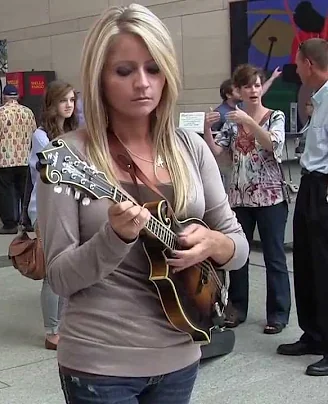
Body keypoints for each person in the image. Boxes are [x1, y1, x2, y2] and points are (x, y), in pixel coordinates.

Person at [36, 4, 249, 403]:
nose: (143, 84)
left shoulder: (191, 148)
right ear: (99, 78)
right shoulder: (69, 157)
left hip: (183, 349)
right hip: (101, 364)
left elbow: (237, 245)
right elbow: (59, 277)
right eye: (124, 71)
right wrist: (113, 237)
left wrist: (214, 245)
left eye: (153, 68)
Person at [203, 64, 291, 333]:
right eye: (247, 86)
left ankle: (278, 313)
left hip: (270, 197)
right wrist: (208, 130)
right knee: (239, 256)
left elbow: (272, 144)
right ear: (238, 91)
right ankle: (237, 307)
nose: (253, 90)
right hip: (239, 198)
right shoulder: (232, 122)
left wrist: (250, 122)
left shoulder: (275, 116)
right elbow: (220, 152)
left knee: (274, 256)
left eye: (256, 84)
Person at [278, 37, 328, 377]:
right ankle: (313, 335)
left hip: (325, 187)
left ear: (309, 63)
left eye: (298, 63)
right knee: (308, 264)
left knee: (325, 268)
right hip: (310, 184)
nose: (296, 69)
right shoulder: (319, 99)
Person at [27, 80, 78, 350]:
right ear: (52, 103)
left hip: (71, 204)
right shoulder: (41, 135)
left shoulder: (73, 130)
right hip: (46, 206)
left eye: (71, 100)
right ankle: (51, 331)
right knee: (52, 270)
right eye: (63, 100)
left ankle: (66, 324)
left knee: (69, 266)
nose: (69, 105)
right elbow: (59, 165)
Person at [0, 84, 37, 234]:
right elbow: (34, 134)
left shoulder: (0, 113)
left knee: (6, 193)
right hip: (25, 159)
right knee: (25, 191)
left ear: (4, 96)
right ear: (17, 96)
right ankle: (28, 222)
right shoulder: (28, 112)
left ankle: (9, 225)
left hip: (4, 161)